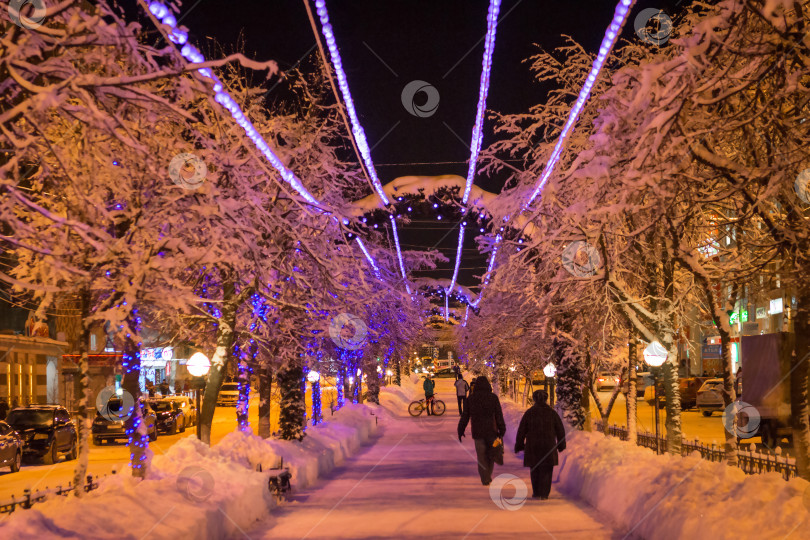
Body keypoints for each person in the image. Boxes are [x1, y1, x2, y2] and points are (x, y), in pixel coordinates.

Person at [514, 389, 566, 500]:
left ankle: (537, 492)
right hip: (548, 446)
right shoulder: (552, 413)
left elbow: (522, 430)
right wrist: (561, 445)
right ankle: (544, 493)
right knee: (547, 469)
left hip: (533, 447)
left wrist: (519, 444)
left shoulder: (529, 413)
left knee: (535, 469)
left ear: (534, 399)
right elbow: (560, 430)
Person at [457, 376, 506, 486]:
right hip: (492, 432)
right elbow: (498, 415)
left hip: (478, 432)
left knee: (481, 456)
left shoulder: (471, 399)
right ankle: (488, 474)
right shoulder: (493, 398)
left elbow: (465, 416)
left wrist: (460, 429)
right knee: (491, 454)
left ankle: (485, 478)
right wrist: (502, 428)